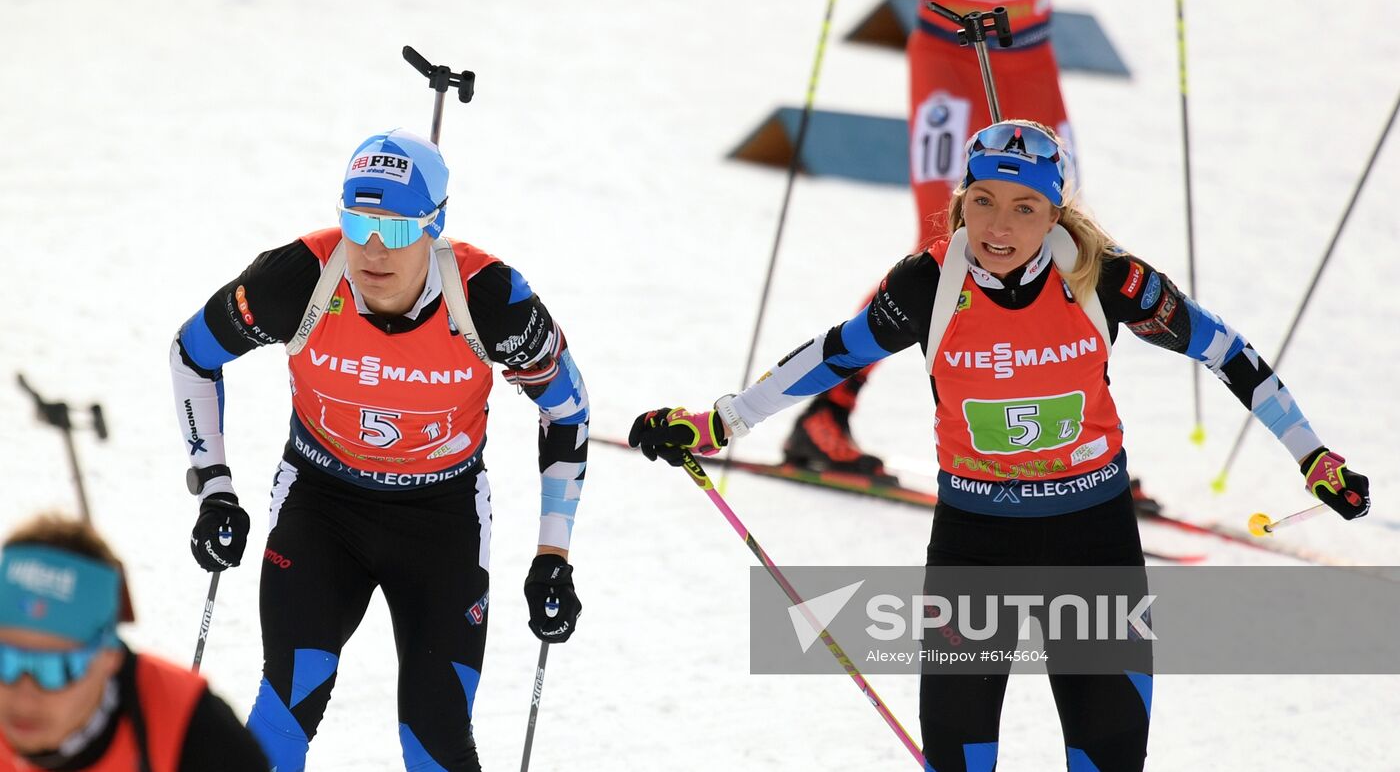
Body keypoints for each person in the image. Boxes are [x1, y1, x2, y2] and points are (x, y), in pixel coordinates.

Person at [629, 120, 1371, 771]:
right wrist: (722, 422)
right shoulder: (928, 284)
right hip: (975, 541)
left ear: (1054, 214)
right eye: (982, 200)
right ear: (960, 203)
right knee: (957, 753)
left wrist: (1312, 454)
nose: (999, 224)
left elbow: (1227, 351)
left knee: (1106, 752)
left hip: (1093, 539)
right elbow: (829, 354)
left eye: (1025, 207)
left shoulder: (1105, 277)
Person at [169, 129, 589, 770]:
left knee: (435, 736)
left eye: (395, 230)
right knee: (286, 704)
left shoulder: (493, 300)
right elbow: (192, 355)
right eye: (357, 222)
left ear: (435, 226)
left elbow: (567, 410)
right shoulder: (296, 279)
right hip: (321, 503)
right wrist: (215, 485)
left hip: (441, 519)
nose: (371, 248)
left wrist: (552, 556)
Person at [784, 0, 1071, 478]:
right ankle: (827, 411)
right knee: (944, 250)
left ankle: (1062, 437)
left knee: (1060, 239)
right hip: (952, 55)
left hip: (1029, 57)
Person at [0, 514, 266, 771]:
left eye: (58, 670)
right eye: (5, 660)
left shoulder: (198, 738)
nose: (24, 698)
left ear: (110, 655)